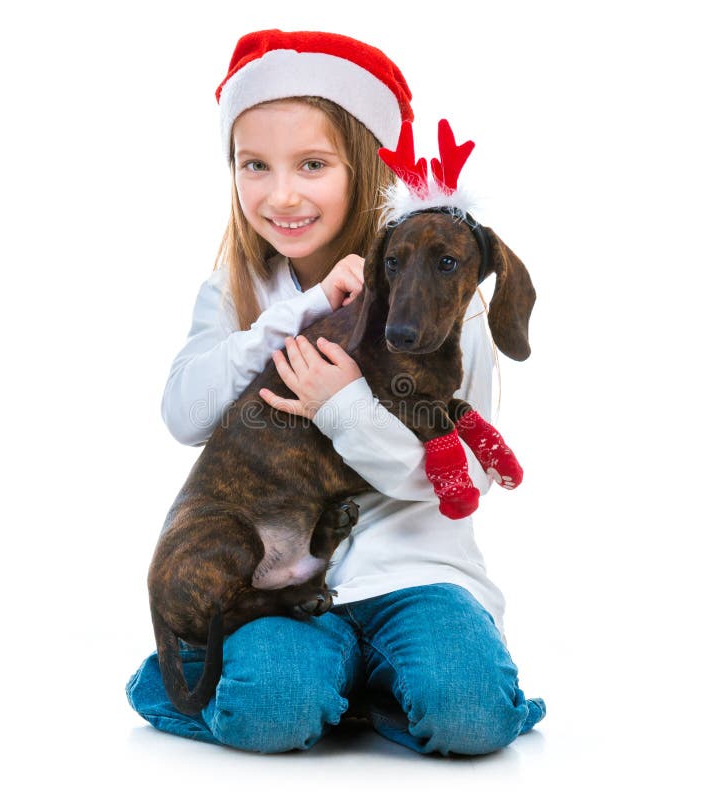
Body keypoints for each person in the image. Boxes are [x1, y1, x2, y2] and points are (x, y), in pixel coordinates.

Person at [126, 28, 545, 756]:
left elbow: (459, 480)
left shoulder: (440, 298)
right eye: (254, 164)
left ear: (366, 170)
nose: (281, 193)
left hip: (414, 571)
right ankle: (260, 684)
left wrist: (342, 405)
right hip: (279, 586)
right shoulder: (235, 290)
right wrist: (299, 308)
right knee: (274, 712)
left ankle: (359, 692)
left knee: (473, 718)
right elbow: (184, 417)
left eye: (312, 164)